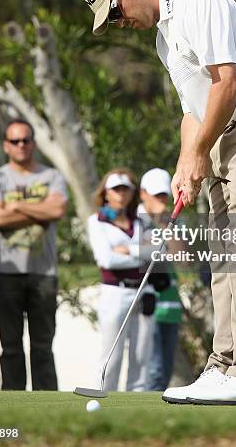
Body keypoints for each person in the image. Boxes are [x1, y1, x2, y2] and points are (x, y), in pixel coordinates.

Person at [82, 0, 236, 405]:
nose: (119, 22)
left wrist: (201, 149)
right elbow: (194, 109)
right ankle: (224, 366)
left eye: (116, 9)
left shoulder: (195, 1)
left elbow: (227, 82)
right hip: (225, 131)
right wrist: (187, 161)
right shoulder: (165, 40)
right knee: (223, 253)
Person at [0, 119, 68, 390]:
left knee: (43, 345)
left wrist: (16, 204)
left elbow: (56, 212)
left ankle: (47, 403)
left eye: (26, 140)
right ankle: (13, 399)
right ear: (6, 145)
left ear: (33, 143)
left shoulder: (52, 176)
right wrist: (38, 209)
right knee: (10, 345)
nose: (21, 145)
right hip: (4, 272)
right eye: (15, 141)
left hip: (43, 272)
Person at [87, 168, 155, 392]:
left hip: (143, 292)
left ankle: (137, 406)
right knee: (111, 356)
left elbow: (157, 255)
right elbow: (107, 260)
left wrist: (127, 250)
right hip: (114, 293)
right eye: (116, 189)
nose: (121, 194)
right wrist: (141, 253)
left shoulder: (141, 220)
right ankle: (100, 397)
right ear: (105, 193)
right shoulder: (96, 221)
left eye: (125, 189)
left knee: (141, 356)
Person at [139, 168, 183, 391]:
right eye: (156, 196)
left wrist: (166, 223)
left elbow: (183, 258)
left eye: (164, 196)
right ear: (142, 193)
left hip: (171, 306)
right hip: (145, 307)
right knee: (151, 372)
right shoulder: (134, 220)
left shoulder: (173, 222)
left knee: (164, 373)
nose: (161, 201)